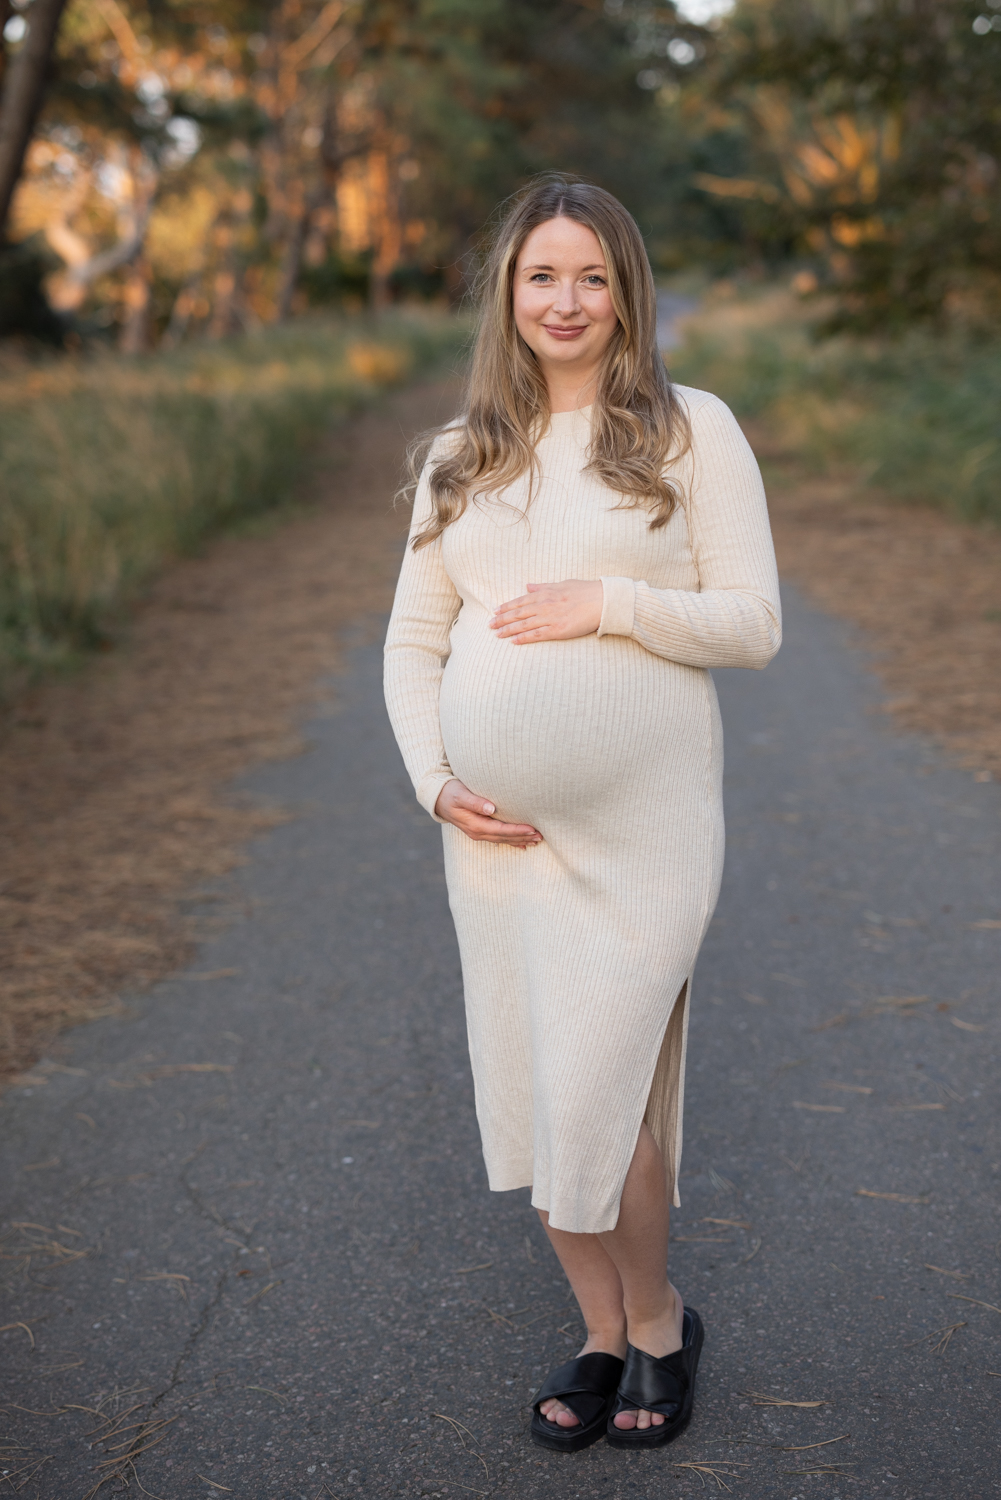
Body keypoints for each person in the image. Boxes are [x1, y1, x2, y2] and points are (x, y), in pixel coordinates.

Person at [384, 176, 781, 1452]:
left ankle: (659, 1325)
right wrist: (433, 782)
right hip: (498, 844)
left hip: (645, 836)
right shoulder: (462, 455)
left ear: (627, 294)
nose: (566, 300)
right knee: (539, 1097)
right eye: (541, 275)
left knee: (603, 1093)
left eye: (592, 276)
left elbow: (752, 625)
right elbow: (410, 642)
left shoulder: (688, 430)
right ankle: (601, 1335)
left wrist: (607, 603)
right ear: (507, 291)